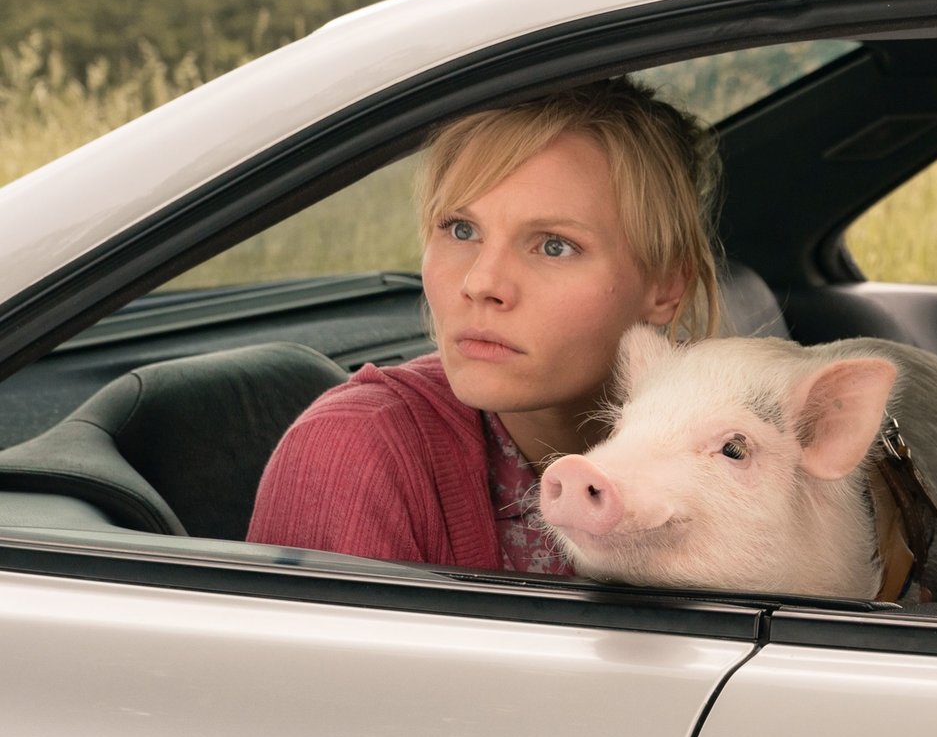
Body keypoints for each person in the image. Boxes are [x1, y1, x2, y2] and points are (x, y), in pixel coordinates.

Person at [249, 77, 723, 573]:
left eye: (553, 245)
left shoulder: (748, 450)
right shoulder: (351, 455)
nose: (481, 283)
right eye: (461, 230)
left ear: (667, 285)